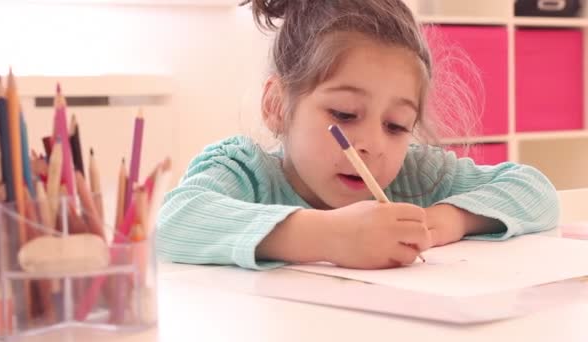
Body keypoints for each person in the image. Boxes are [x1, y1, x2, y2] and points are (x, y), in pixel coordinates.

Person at [156, 0, 559, 270]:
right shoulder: (246, 171)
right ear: (278, 105)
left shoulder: (416, 175)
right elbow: (176, 222)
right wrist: (330, 237)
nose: (371, 144)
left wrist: (444, 221)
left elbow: (535, 191)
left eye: (396, 125)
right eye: (345, 114)